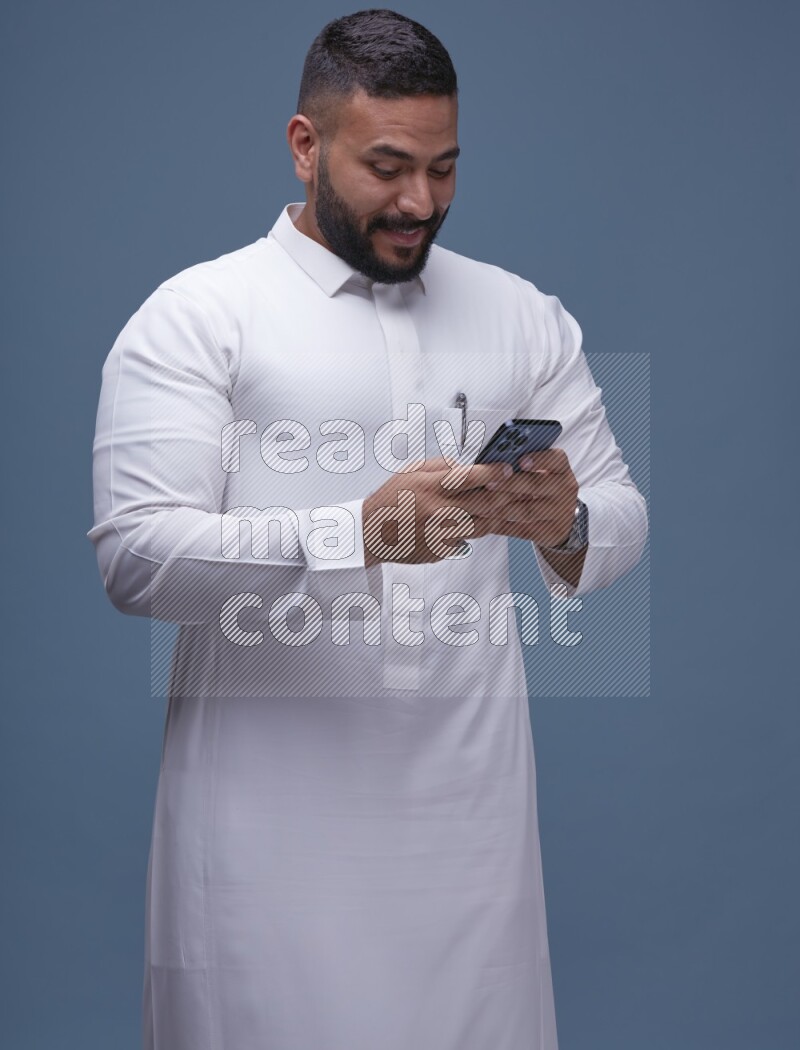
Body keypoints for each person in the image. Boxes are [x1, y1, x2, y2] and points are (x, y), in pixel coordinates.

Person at [88, 9, 647, 1050]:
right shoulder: (199, 315)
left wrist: (561, 521)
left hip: (473, 833)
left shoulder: (521, 314)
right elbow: (136, 554)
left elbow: (619, 522)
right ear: (305, 145)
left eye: (442, 168)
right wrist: (354, 534)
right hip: (264, 837)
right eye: (386, 166)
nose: (417, 201)